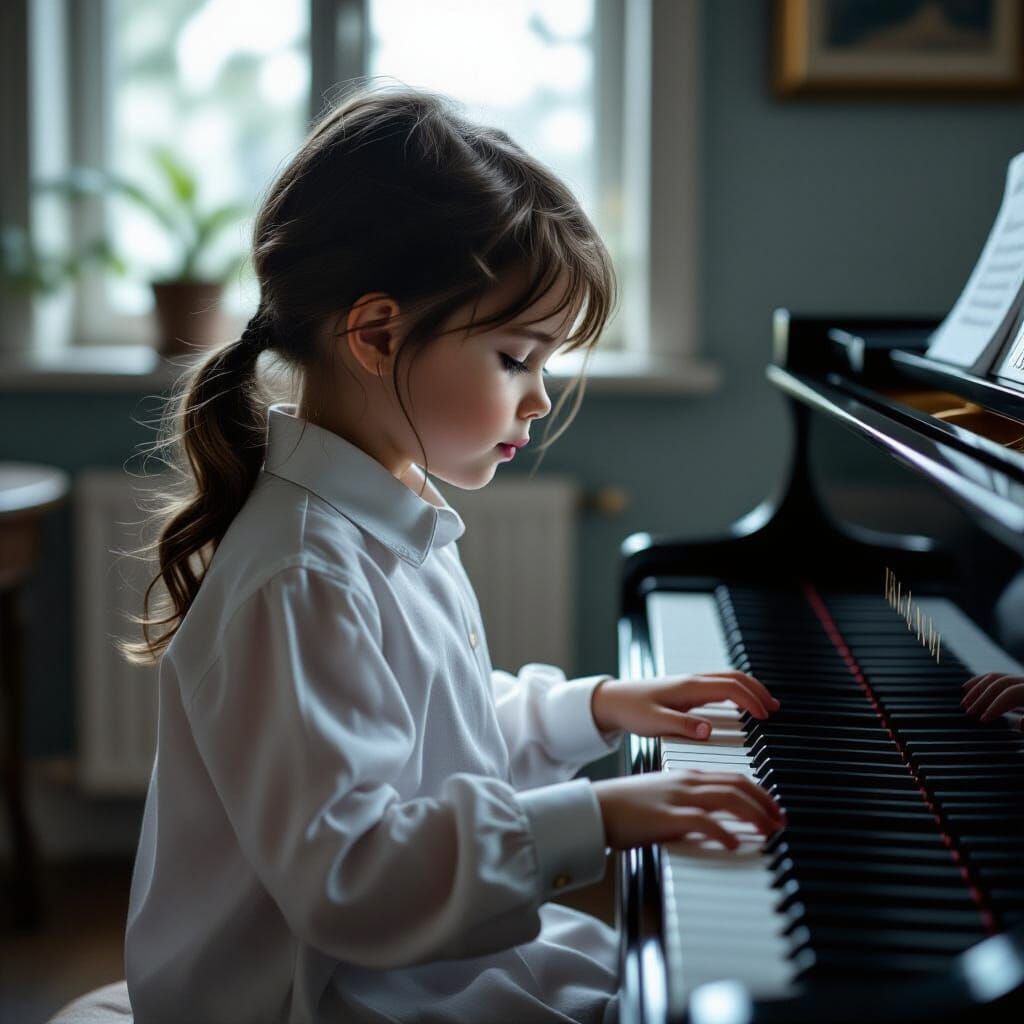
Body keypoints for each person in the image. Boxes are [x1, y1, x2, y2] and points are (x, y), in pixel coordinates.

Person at [118, 82, 785, 1024]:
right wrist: (602, 816)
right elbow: (349, 876)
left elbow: (433, 740)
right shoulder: (302, 572)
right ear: (378, 334)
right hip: (316, 998)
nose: (540, 399)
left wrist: (591, 710)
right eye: (518, 357)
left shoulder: (385, 509)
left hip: (396, 973)